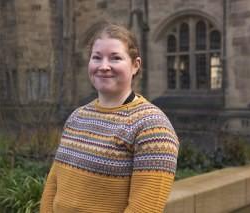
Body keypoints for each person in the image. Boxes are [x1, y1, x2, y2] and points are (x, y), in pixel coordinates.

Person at [40, 23, 179, 213]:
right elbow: (53, 186)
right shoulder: (77, 117)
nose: (103, 66)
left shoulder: (153, 128)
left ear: (135, 65)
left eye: (115, 58)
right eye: (96, 57)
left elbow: (144, 209)